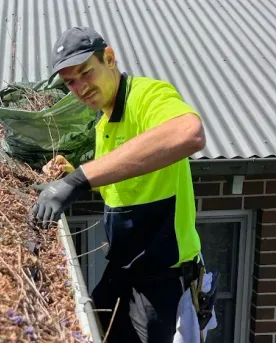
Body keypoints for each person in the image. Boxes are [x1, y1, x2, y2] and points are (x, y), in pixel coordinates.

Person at [29, 27, 207, 342]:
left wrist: (78, 179)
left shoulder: (146, 95)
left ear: (109, 58)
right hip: (125, 267)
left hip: (164, 277)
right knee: (91, 326)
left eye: (86, 72)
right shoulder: (104, 122)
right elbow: (124, 185)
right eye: (71, 81)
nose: (80, 87)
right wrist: (72, 173)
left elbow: (188, 133)